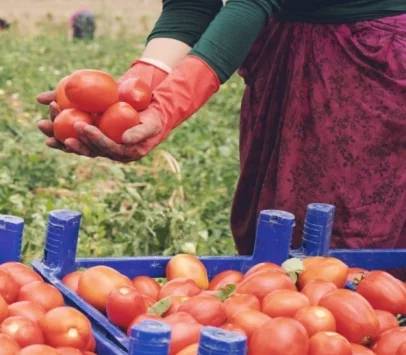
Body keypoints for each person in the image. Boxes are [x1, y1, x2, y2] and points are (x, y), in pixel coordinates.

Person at [37, 0, 406, 272]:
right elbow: (192, 4)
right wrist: (136, 88)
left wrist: (165, 106)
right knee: (278, 233)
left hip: (364, 59)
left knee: (349, 246)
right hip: (286, 53)